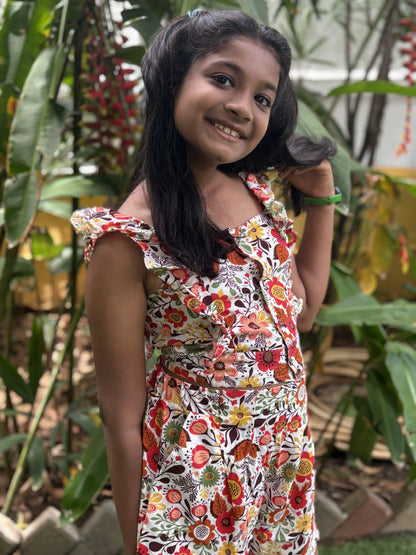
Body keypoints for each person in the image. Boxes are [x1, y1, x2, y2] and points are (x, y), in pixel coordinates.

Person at [71, 9, 339, 555]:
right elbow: (122, 420)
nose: (242, 107)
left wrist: (321, 198)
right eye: (223, 79)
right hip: (194, 489)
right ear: (173, 79)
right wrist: (137, 540)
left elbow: (303, 314)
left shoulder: (257, 195)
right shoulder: (127, 242)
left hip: (280, 473)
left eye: (263, 98)